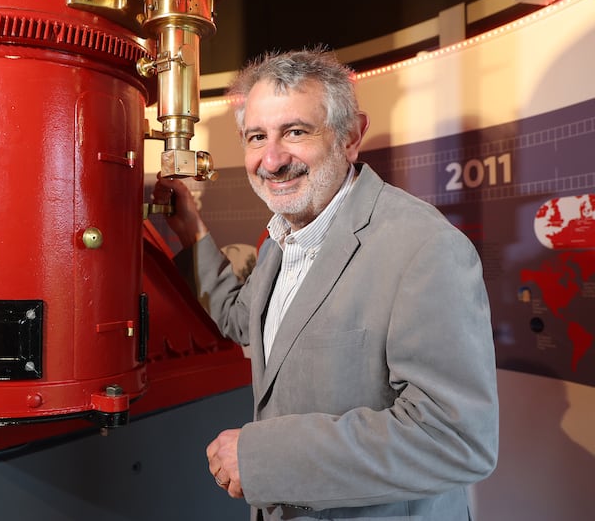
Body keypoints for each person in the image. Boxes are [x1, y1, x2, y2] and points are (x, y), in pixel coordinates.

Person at [153, 47, 498, 520]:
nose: (271, 160)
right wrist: (190, 232)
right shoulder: (286, 236)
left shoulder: (425, 247)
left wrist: (263, 457)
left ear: (351, 136)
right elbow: (240, 318)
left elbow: (455, 440)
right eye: (256, 136)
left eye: (295, 132)